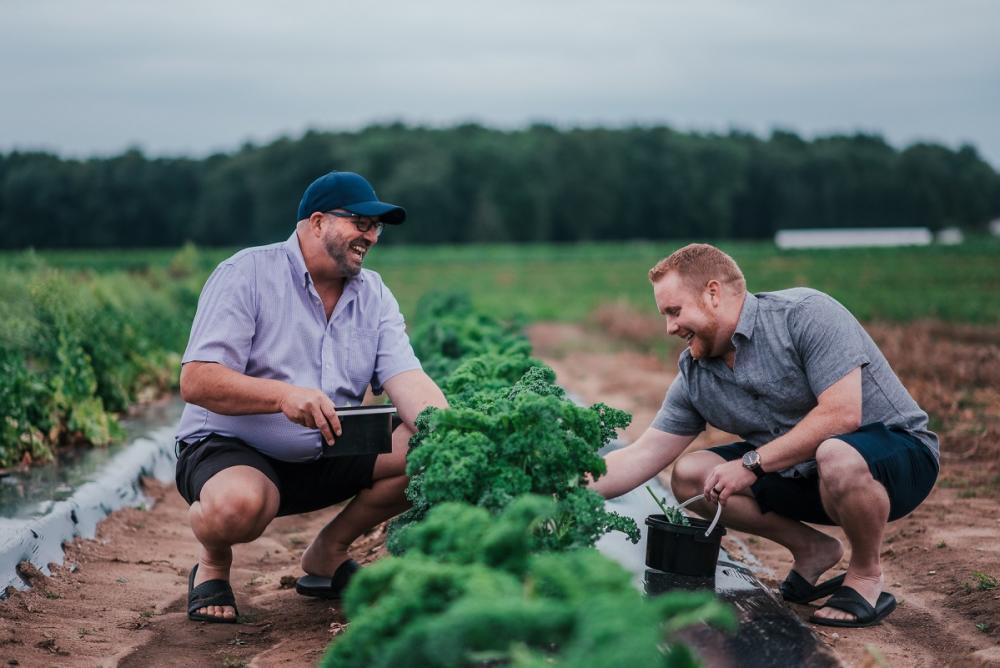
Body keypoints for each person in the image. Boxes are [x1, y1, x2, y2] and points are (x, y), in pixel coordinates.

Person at [591, 243, 938, 628]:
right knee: (691, 475)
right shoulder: (696, 371)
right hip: (805, 474)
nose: (670, 327)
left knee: (836, 453)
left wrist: (752, 464)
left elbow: (842, 415)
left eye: (674, 311)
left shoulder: (805, 314)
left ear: (712, 294)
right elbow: (641, 455)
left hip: (896, 461)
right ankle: (811, 548)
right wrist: (558, 486)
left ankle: (866, 575)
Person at [174, 171, 448, 623]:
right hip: (233, 449)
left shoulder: (373, 294)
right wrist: (282, 396)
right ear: (317, 222)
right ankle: (213, 563)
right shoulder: (247, 275)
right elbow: (198, 380)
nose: (371, 236)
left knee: (432, 451)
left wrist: (453, 434)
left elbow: (409, 379)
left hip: (329, 444)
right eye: (360, 222)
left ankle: (327, 555)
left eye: (376, 227)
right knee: (239, 506)